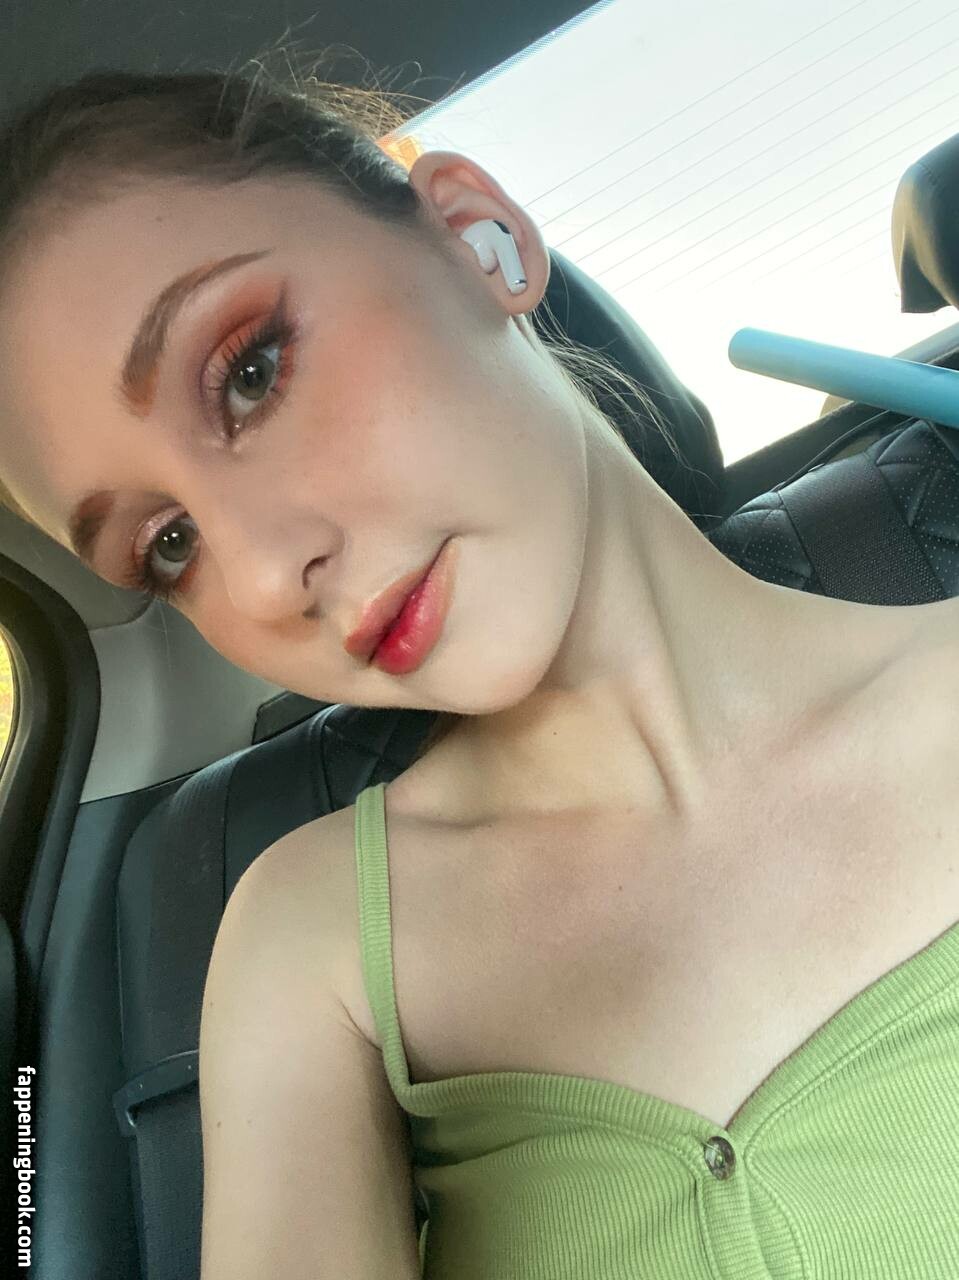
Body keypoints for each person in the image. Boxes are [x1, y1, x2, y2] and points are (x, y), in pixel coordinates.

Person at [0, 46, 958, 1280]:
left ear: (475, 238)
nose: (264, 574)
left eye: (251, 371)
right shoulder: (306, 936)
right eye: (169, 543)